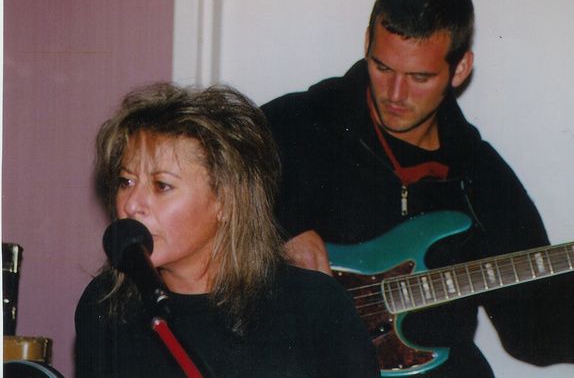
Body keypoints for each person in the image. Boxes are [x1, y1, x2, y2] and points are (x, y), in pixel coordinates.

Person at [262, 0, 574, 378]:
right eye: (383, 68)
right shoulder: (300, 121)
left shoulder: (482, 180)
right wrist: (285, 225)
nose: (395, 94)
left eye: (419, 77)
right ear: (367, 43)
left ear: (460, 69)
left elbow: (535, 331)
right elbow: (203, 189)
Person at [74, 83, 379, 378]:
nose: (131, 204)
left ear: (227, 201)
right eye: (126, 181)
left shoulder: (316, 305)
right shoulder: (105, 304)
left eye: (161, 185)